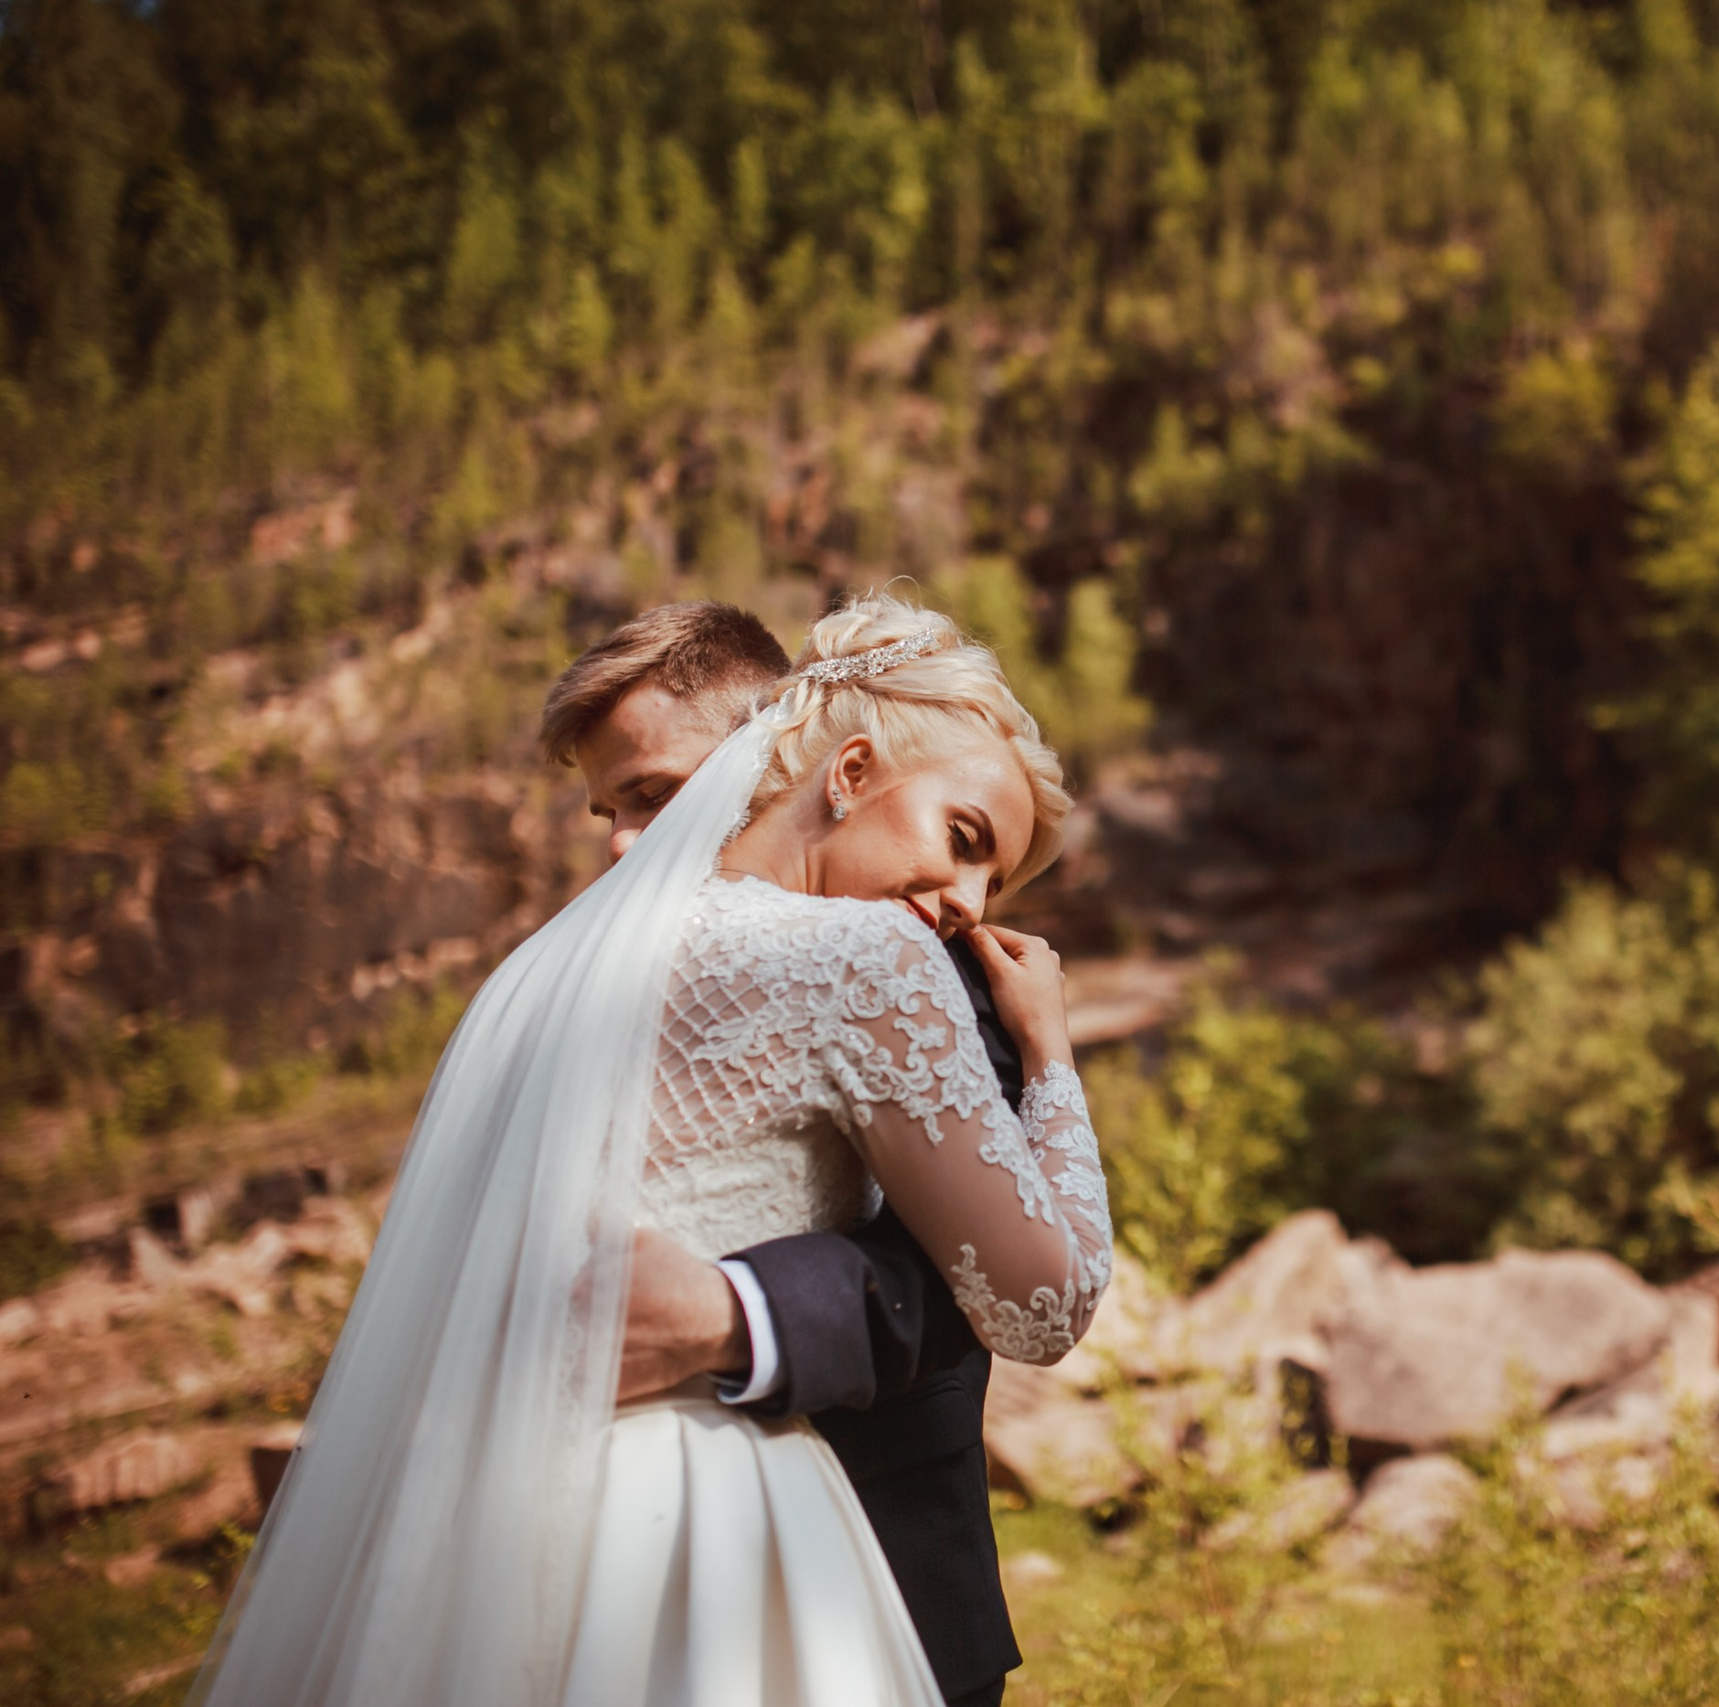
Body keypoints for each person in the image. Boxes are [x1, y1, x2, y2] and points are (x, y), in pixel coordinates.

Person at [188, 594, 1112, 1707]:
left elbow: (940, 1270)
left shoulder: (536, 976)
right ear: (851, 770)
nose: (968, 905)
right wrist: (1050, 1050)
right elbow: (1040, 1301)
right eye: (961, 841)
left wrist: (737, 1312)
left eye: (656, 797)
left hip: (504, 1525)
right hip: (707, 1514)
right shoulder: (872, 956)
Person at [538, 601, 1029, 1707]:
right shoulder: (589, 982)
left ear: (771, 764)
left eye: (655, 794)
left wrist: (737, 1313)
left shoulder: (932, 973)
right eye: (608, 808)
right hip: (602, 1538)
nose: (620, 843)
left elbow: (979, 1271)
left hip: (888, 1567)